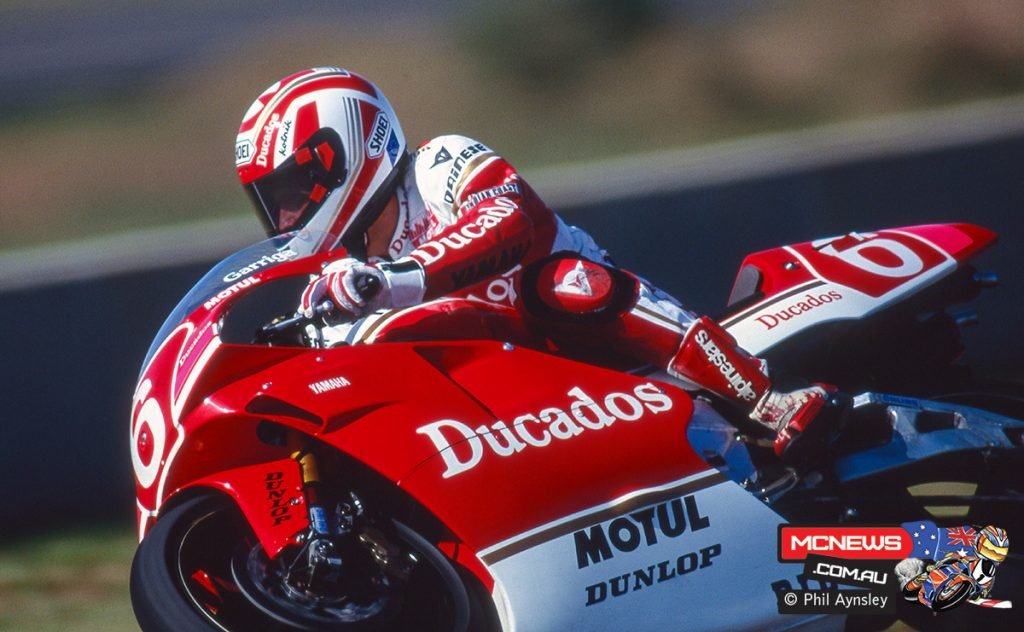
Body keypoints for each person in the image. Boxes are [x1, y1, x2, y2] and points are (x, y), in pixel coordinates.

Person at [234, 67, 827, 458]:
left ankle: (765, 399)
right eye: (273, 202)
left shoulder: (438, 162)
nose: (286, 219)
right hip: (501, 401)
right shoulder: (333, 279)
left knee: (566, 284)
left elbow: (514, 217)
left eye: (294, 192)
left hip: (584, 335)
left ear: (351, 151)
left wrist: (401, 278)